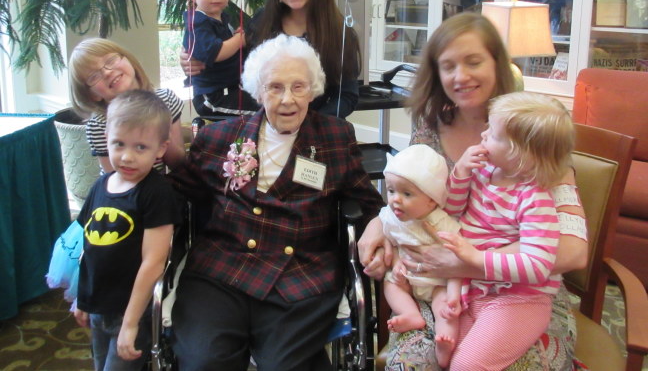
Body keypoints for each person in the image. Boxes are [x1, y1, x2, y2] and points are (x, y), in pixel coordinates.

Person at [358, 12, 588, 371]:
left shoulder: (531, 136)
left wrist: (467, 261)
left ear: (498, 63)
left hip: (520, 295)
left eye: (473, 61)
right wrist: (379, 226)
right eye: (447, 66)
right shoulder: (430, 131)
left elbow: (574, 252)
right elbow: (408, 194)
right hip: (446, 291)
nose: (460, 76)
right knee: (418, 363)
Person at [169, 34, 384, 371]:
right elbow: (179, 196)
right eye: (275, 87)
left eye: (298, 87)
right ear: (258, 91)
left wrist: (376, 225)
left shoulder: (335, 137)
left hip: (300, 275)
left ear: (312, 90)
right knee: (203, 362)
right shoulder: (218, 138)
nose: (288, 100)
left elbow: (367, 203)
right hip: (222, 273)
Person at [440, 91, 572, 370]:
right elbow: (453, 211)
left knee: (466, 366)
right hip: (475, 292)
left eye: (494, 133)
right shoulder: (485, 171)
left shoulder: (534, 198)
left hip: (520, 299)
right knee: (448, 357)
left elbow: (538, 266)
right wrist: (461, 173)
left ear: (521, 154)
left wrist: (475, 259)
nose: (484, 134)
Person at [181, 0, 361, 119]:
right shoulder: (262, 21)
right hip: (260, 133)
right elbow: (232, 59)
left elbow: (346, 96)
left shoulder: (340, 34)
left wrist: (308, 124)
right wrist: (189, 59)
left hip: (313, 134)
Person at [73, 90, 181, 370]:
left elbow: (154, 262)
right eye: (118, 144)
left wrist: (131, 323)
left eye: (140, 147)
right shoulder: (101, 186)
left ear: (160, 149)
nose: (127, 157)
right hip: (99, 305)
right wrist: (82, 298)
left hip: (131, 309)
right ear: (106, 138)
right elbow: (90, 248)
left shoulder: (156, 193)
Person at [380, 144, 462, 368]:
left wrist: (455, 295)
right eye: (391, 191)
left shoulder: (441, 223)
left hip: (437, 282)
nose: (396, 199)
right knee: (390, 285)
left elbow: (459, 260)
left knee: (445, 307)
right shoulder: (390, 218)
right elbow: (394, 244)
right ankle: (410, 314)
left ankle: (445, 343)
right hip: (408, 279)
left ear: (432, 200)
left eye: (407, 194)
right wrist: (397, 264)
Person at [68, 37, 185, 173]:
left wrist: (162, 130)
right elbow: (116, 181)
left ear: (128, 59)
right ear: (93, 95)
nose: (107, 72)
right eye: (94, 76)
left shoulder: (166, 100)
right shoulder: (99, 124)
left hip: (161, 188)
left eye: (110, 60)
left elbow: (178, 163)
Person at [183, 0, 259, 117]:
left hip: (231, 89)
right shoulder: (197, 22)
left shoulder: (222, 18)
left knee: (264, 102)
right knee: (263, 111)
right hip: (213, 97)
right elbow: (214, 52)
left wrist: (235, 37)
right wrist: (240, 39)